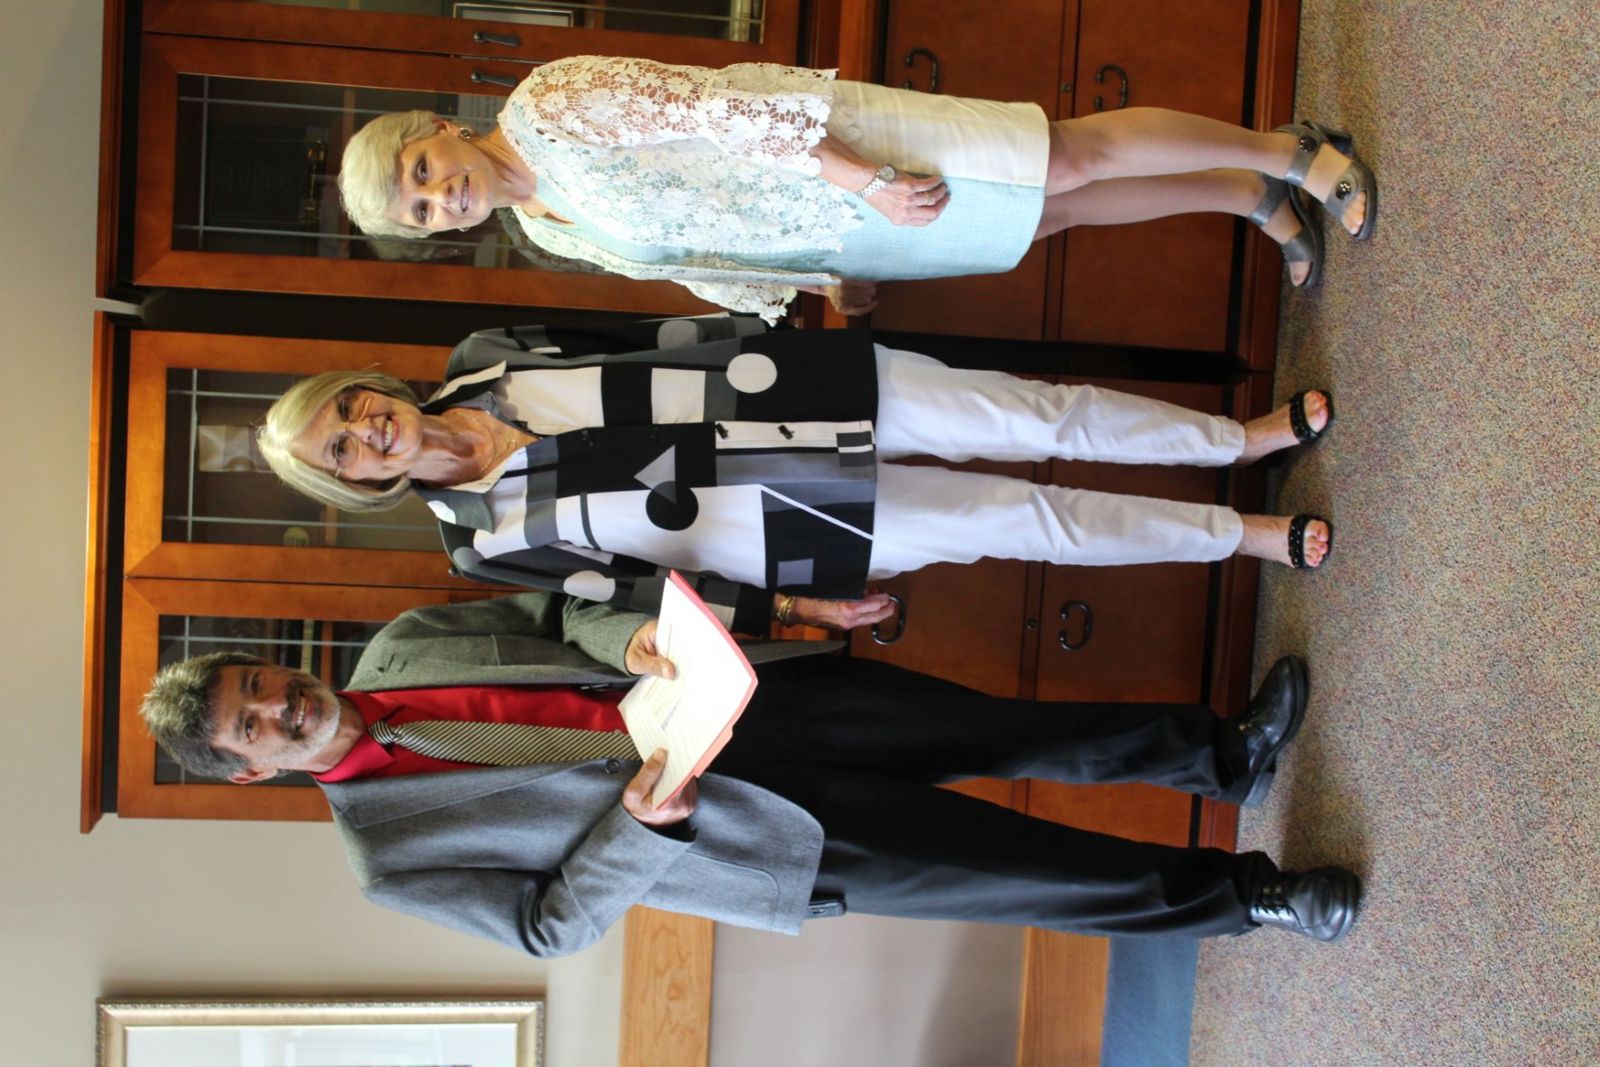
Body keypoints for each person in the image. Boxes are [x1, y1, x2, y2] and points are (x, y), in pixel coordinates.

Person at [138, 591, 1361, 956]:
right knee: (1029, 871)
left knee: (1000, 727)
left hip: (749, 701)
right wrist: (637, 819)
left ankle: (1222, 753)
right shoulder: (384, 855)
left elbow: (548, 611)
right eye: (259, 726)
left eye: (262, 681)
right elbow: (546, 925)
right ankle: (1247, 894)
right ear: (251, 772)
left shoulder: (405, 640)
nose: (282, 705)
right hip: (740, 837)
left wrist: (623, 640)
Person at [255, 316, 1336, 634]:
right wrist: (795, 608)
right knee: (1028, 518)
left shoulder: (482, 355)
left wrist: (760, 306)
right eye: (341, 450)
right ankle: (1234, 537)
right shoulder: (477, 541)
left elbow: (646, 330)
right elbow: (641, 595)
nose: (367, 431)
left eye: (349, 407)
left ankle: (1233, 442)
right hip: (780, 517)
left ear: (366, 384)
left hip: (793, 385)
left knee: (1029, 409)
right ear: (353, 485)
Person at [337, 54, 1378, 320]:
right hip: (849, 228)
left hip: (843, 152)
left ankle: (1287, 152)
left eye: (424, 173)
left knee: (1059, 157)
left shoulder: (545, 103)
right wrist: (822, 280)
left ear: (438, 130)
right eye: (422, 211)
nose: (442, 199)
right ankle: (1246, 197)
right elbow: (700, 263)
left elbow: (711, 112)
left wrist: (866, 176)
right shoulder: (543, 230)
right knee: (1049, 216)